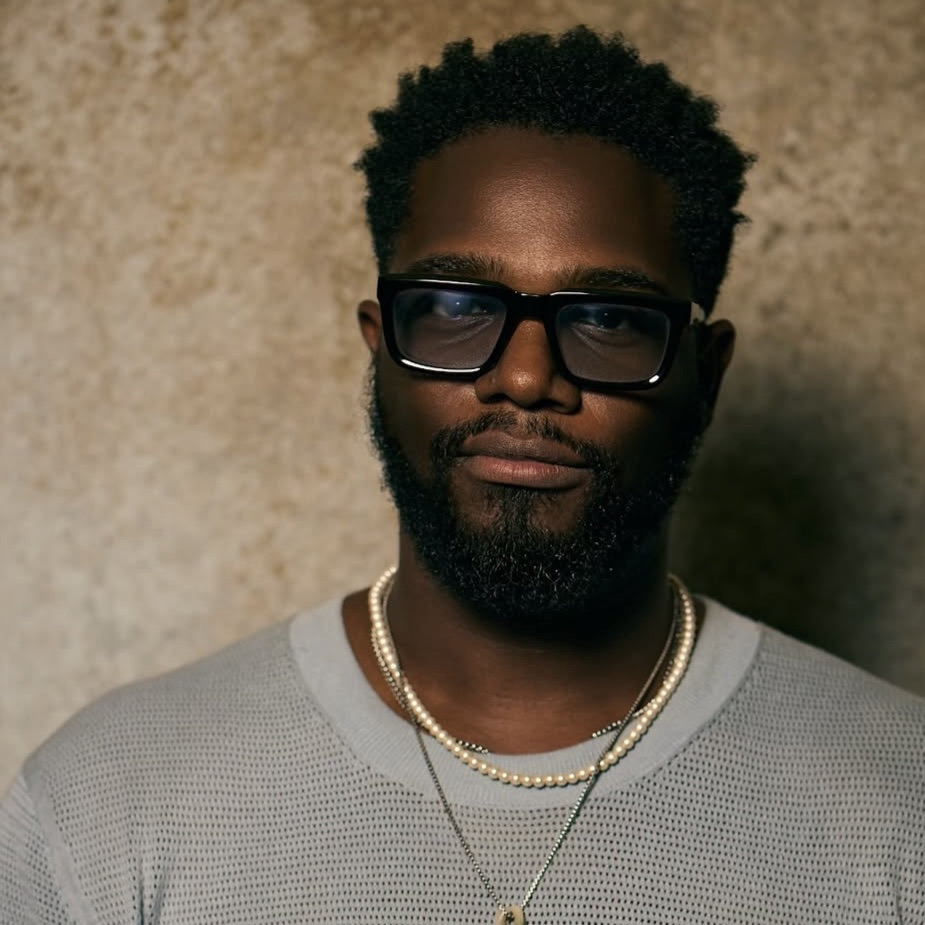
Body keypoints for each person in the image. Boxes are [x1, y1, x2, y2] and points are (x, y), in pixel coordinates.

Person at [2, 26, 923, 925]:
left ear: (704, 376)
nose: (523, 377)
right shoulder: (105, 803)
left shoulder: (900, 803)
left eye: (607, 318)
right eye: (453, 306)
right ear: (380, 348)